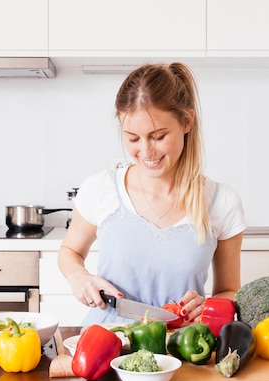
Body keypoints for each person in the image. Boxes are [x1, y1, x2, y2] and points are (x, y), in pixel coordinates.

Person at [58, 62, 246, 326]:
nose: (146, 152)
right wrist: (79, 278)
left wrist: (208, 308)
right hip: (104, 346)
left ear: (186, 121)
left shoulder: (221, 203)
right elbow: (69, 251)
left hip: (181, 348)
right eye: (133, 138)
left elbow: (229, 290)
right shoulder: (101, 190)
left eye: (158, 137)